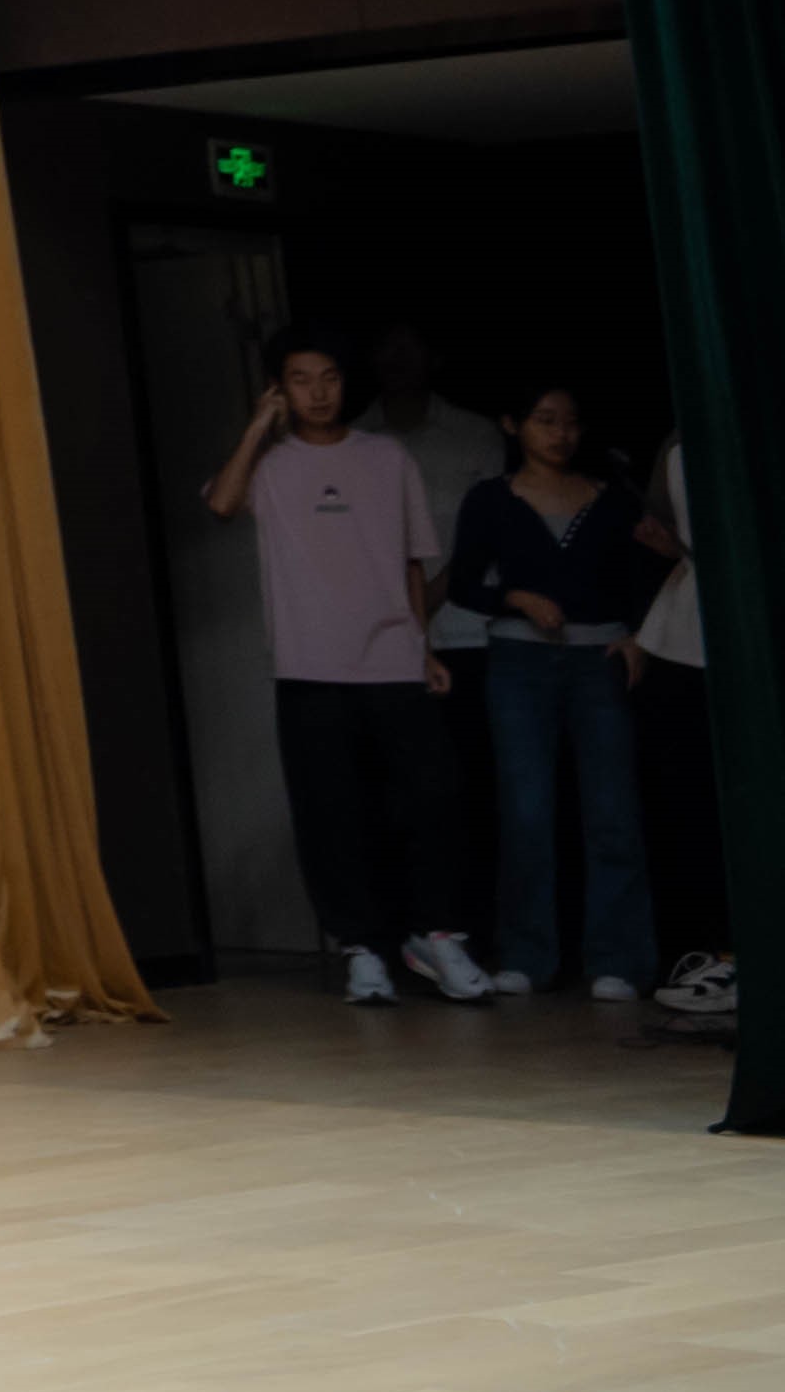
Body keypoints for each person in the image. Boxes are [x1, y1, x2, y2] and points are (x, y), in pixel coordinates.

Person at [204, 335, 465, 1006]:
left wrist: (423, 648)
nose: (317, 392)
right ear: (279, 389)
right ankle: (362, 949)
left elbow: (412, 561)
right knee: (331, 815)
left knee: (424, 805)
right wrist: (257, 426)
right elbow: (222, 502)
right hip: (309, 665)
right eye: (300, 380)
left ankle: (434, 935)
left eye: (329, 377)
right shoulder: (270, 465)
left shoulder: (387, 456)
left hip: (392, 659)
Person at [452, 388, 660, 1001]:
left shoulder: (611, 496)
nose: (560, 434)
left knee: (612, 810)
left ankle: (619, 959)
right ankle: (526, 953)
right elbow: (463, 582)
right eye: (545, 421)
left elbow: (644, 574)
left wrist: (640, 636)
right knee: (527, 809)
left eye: (571, 422)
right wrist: (514, 596)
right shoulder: (491, 498)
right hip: (519, 658)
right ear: (513, 424)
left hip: (600, 657)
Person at [370, 327, 513, 986]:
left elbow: (484, 534)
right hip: (381, 646)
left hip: (467, 635)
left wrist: (423, 601)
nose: (399, 358)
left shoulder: (474, 434)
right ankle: (404, 939)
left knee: (476, 793)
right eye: (387, 345)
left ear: (434, 356)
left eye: (411, 345)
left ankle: (478, 935)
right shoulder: (357, 436)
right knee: (403, 799)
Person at [625, 438, 731, 1025]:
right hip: (686, 647)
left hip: (737, 643)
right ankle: (707, 959)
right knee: (690, 814)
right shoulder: (684, 445)